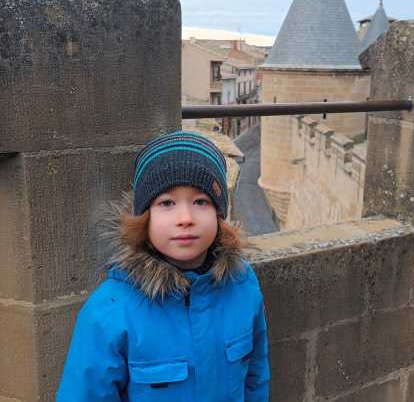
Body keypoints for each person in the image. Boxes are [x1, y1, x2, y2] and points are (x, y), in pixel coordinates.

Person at [57, 130, 270, 401]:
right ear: (145, 217)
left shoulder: (242, 285)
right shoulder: (110, 311)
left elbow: (255, 377)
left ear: (219, 214)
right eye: (166, 202)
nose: (185, 218)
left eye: (201, 201)